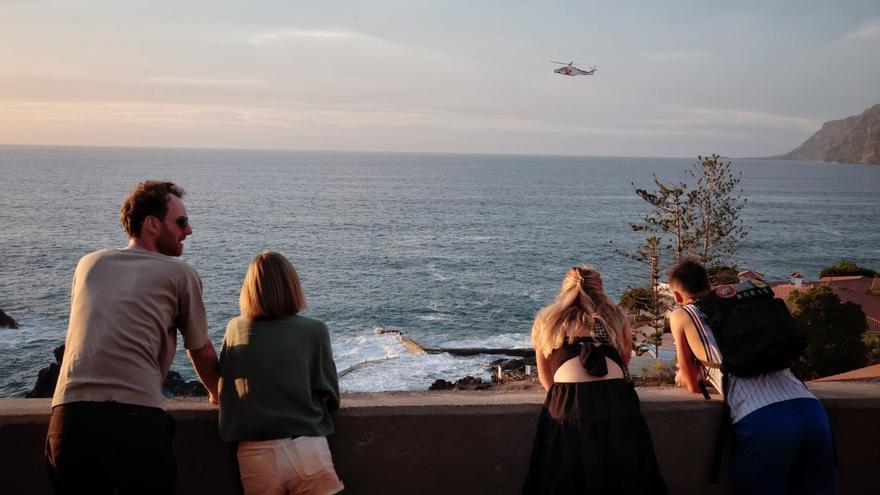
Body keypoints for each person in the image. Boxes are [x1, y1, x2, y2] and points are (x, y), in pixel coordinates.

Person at [46, 180, 220, 494]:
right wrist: (218, 394)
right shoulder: (180, 274)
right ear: (152, 224)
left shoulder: (89, 264)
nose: (189, 230)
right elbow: (202, 350)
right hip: (135, 419)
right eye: (181, 222)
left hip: (69, 420)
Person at [668, 258, 837, 495]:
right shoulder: (743, 308)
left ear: (676, 296)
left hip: (762, 422)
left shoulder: (682, 315)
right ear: (709, 286)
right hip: (813, 413)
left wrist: (684, 377)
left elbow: (691, 383)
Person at [522, 265, 667, 495]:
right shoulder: (616, 316)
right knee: (624, 480)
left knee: (564, 481)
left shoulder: (547, 320)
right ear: (600, 289)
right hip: (616, 401)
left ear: (565, 288)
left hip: (568, 403)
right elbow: (624, 362)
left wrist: (569, 401)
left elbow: (545, 378)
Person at [219, 251, 344, 495]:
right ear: (292, 285)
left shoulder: (235, 328)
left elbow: (227, 386)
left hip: (255, 453)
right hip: (306, 446)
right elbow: (329, 393)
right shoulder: (315, 330)